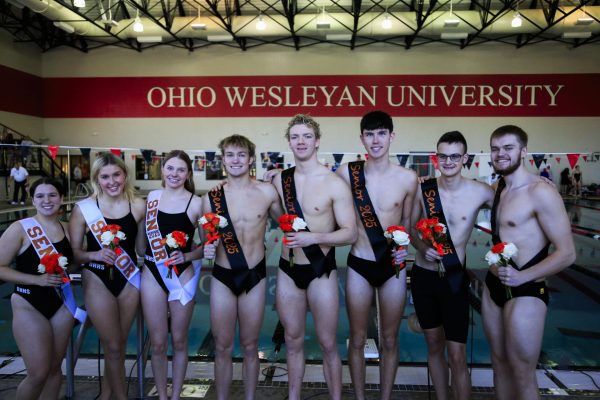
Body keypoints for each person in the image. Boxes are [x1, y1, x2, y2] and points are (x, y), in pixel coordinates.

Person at [482, 125, 575, 400]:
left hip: (526, 289)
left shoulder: (540, 191)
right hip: (493, 285)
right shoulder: (498, 187)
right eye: (496, 148)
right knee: (498, 366)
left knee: (522, 373)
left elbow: (568, 252)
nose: (501, 154)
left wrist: (524, 276)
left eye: (508, 148)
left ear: (523, 151)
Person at [268, 114, 357, 400]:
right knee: (293, 340)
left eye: (307, 136)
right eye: (295, 137)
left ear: (317, 141)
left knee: (328, 342)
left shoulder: (334, 183)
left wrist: (314, 237)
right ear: (289, 142)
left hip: (322, 272)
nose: (301, 141)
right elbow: (275, 216)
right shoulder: (280, 180)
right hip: (287, 270)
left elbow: (350, 233)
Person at [335, 111, 417, 400]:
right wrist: (276, 177)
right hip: (359, 263)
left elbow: (406, 225)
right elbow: (317, 192)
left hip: (392, 269)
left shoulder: (408, 179)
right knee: (357, 338)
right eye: (369, 134)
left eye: (381, 133)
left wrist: (403, 252)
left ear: (392, 136)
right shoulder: (347, 173)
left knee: (390, 339)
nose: (375, 139)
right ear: (361, 139)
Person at [409, 131, 494, 400]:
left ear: (465, 158)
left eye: (454, 156)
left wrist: (534, 183)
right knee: (434, 345)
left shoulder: (480, 191)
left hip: (455, 280)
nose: (448, 161)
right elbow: (411, 230)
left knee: (457, 354)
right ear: (436, 158)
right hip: (424, 277)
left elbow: (512, 204)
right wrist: (423, 248)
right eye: (443, 156)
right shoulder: (425, 190)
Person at [202, 135, 284, 400]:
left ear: (250, 159)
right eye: (229, 155)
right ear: (223, 160)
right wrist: (206, 248)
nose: (235, 160)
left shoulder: (266, 192)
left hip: (254, 276)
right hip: (223, 276)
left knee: (250, 346)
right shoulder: (211, 198)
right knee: (223, 347)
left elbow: (289, 222)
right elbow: (207, 241)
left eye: (241, 155)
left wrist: (282, 182)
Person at [69, 152, 146, 400]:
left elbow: (142, 249)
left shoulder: (138, 205)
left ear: (125, 175)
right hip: (97, 279)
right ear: (96, 179)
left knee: (119, 345)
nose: (112, 181)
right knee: (112, 345)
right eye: (105, 177)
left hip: (129, 279)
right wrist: (95, 255)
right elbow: (74, 256)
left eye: (117, 175)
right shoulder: (84, 209)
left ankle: (107, 395)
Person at [0, 178, 85, 399]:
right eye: (40, 196)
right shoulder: (19, 228)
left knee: (55, 369)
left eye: (52, 195)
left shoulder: (67, 229)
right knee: (38, 373)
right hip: (29, 303)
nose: (47, 201)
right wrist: (36, 280)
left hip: (61, 304)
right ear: (33, 200)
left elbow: (74, 261)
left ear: (62, 198)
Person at [141, 150, 203, 400]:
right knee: (157, 343)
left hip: (182, 276)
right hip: (152, 272)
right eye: (170, 168)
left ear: (188, 173)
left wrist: (186, 257)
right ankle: (162, 397)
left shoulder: (196, 203)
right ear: (162, 170)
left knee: (178, 340)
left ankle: (175, 396)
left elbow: (208, 247)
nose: (174, 174)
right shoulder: (152, 198)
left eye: (180, 169)